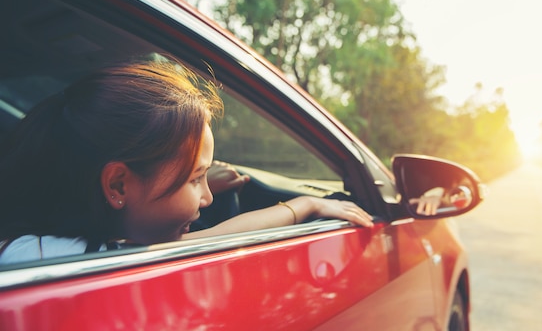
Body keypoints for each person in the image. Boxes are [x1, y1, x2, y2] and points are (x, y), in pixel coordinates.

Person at [0, 57, 373, 264]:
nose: (208, 198)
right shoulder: (79, 262)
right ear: (117, 185)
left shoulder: (30, 246)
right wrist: (305, 204)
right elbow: (221, 236)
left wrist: (196, 178)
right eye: (195, 179)